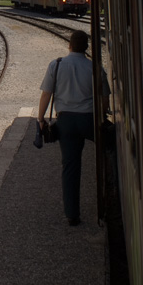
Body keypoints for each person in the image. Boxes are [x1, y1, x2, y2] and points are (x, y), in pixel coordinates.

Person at [38, 29, 109, 226]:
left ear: (69, 45)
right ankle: (108, 200)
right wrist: (102, 116)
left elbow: (46, 94)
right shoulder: (94, 66)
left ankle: (72, 215)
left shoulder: (57, 65)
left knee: (70, 166)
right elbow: (104, 98)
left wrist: (40, 118)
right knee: (108, 153)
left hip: (66, 121)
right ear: (86, 47)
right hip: (89, 119)